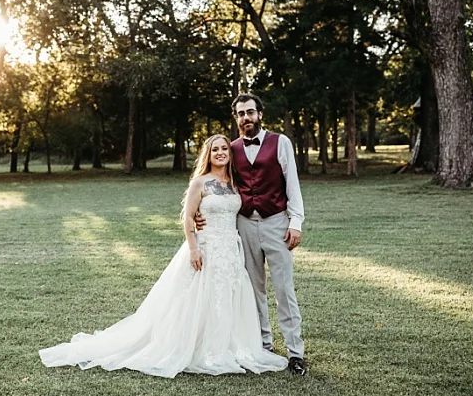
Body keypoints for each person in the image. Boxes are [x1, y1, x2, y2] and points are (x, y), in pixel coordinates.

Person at [39, 135, 290, 378]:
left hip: (230, 251)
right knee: (199, 298)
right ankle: (198, 346)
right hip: (205, 248)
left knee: (227, 296)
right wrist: (194, 248)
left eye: (224, 148)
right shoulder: (200, 183)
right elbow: (188, 217)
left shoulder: (235, 183)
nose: (220, 153)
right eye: (215, 149)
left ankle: (229, 344)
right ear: (208, 154)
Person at [197, 93, 309, 376]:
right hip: (244, 224)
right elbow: (214, 181)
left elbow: (292, 184)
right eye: (240, 113)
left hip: (276, 223)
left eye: (250, 112)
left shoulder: (280, 142)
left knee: (284, 289)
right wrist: (200, 212)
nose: (246, 117)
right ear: (235, 118)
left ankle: (295, 353)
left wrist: (295, 222)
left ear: (260, 114)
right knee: (252, 289)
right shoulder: (231, 148)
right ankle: (263, 346)